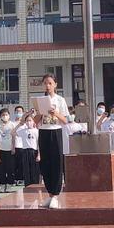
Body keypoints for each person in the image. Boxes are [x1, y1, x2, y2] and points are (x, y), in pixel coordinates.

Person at [33, 73, 69, 209]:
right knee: (45, 164)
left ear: (55, 85)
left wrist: (55, 113)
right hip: (43, 132)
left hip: (56, 131)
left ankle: (55, 195)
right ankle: (49, 194)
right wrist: (41, 112)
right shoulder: (40, 100)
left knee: (56, 163)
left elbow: (65, 120)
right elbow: (35, 122)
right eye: (45, 83)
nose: (47, 86)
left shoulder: (60, 100)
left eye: (50, 83)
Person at [12, 113, 40, 187]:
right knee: (26, 170)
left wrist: (39, 155)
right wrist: (20, 124)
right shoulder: (23, 131)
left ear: (33, 121)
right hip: (25, 151)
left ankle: (35, 185)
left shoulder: (36, 131)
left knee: (34, 170)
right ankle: (27, 185)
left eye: (30, 120)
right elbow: (12, 132)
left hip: (34, 152)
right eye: (27, 121)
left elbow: (39, 144)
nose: (28, 122)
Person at [0, 108, 15, 193]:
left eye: (6, 115)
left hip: (9, 149)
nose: (5, 116)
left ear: (9, 115)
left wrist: (13, 147)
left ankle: (9, 184)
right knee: (1, 168)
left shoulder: (12, 125)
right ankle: (2, 184)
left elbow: (14, 137)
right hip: (0, 149)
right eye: (3, 115)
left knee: (9, 168)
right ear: (0, 116)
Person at [12, 105, 25, 184]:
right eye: (16, 111)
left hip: (23, 146)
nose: (18, 113)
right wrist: (12, 147)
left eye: (20, 111)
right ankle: (15, 178)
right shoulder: (12, 123)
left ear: (23, 113)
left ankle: (21, 178)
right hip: (15, 146)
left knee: (22, 164)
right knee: (14, 164)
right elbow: (12, 135)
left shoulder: (25, 123)